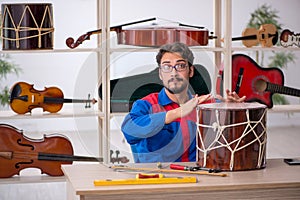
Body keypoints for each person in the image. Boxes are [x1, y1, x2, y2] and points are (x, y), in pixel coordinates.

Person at [121, 42, 245, 163]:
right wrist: (176, 113)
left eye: (180, 66)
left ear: (191, 71)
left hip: (199, 176)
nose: (173, 73)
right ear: (160, 73)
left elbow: (235, 137)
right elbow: (128, 130)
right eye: (166, 67)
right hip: (158, 179)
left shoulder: (206, 105)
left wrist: (233, 109)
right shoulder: (145, 104)